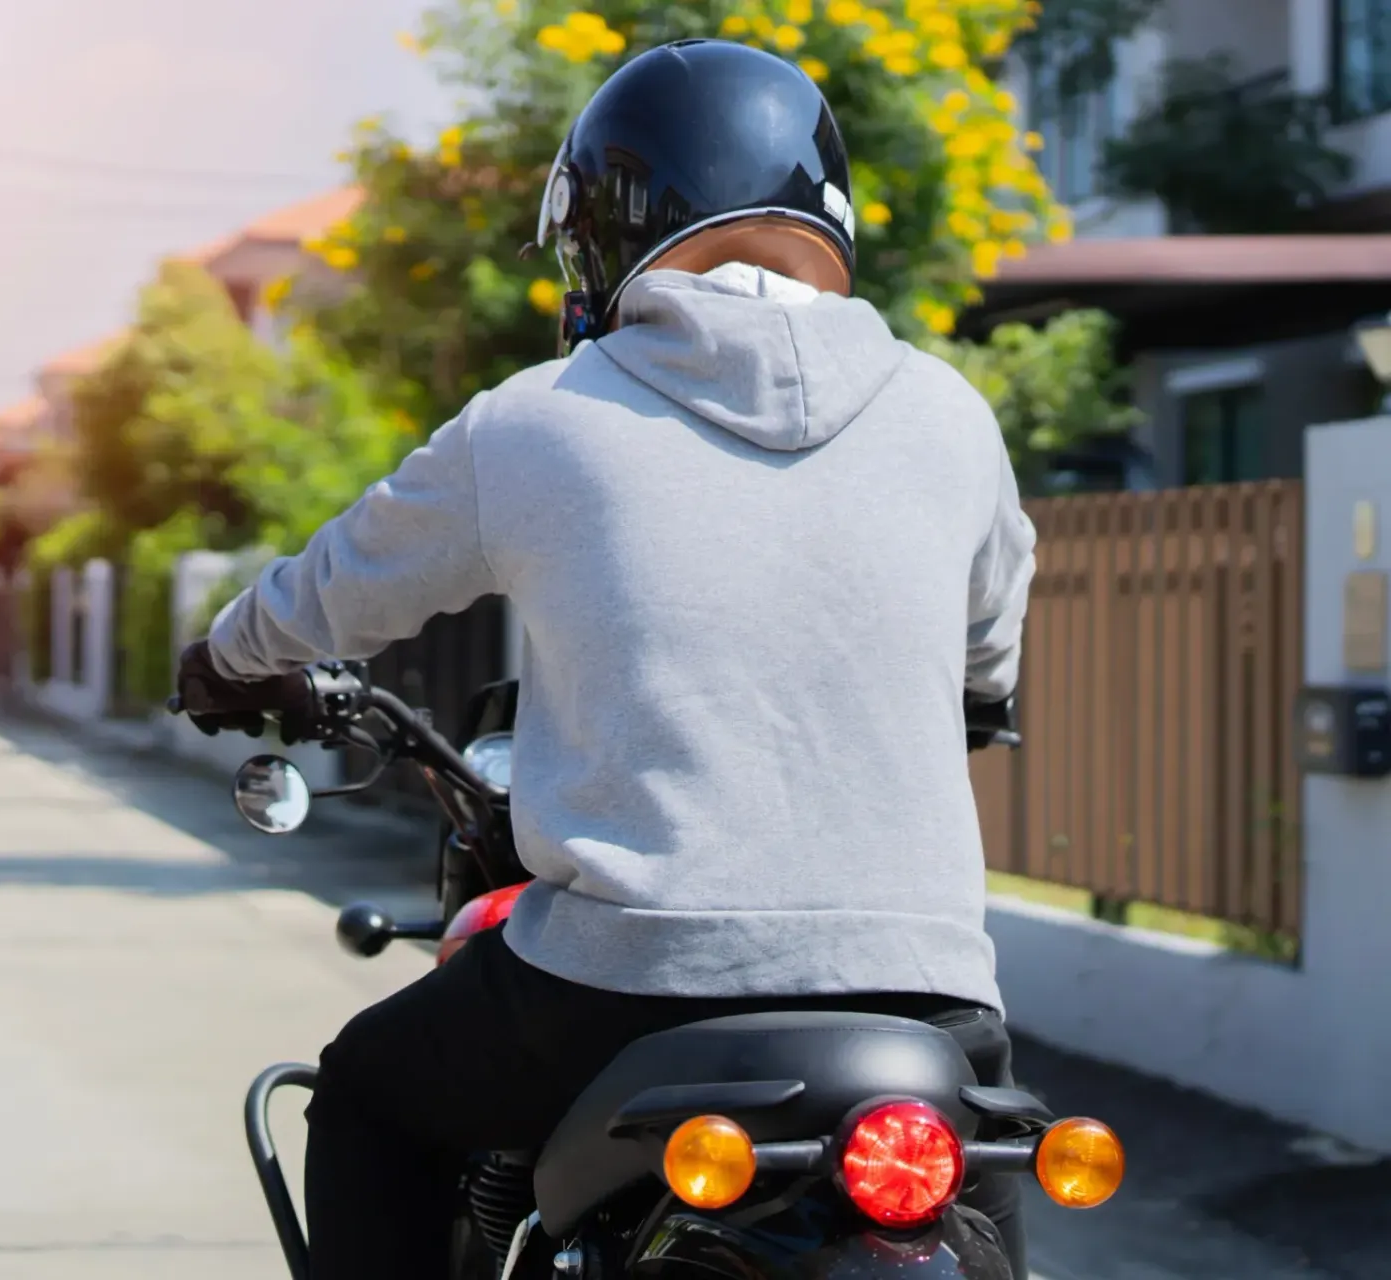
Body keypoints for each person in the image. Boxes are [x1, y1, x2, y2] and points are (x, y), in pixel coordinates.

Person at [175, 38, 1038, 1280]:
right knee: (990, 1173)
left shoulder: (544, 418)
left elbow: (334, 587)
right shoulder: (953, 414)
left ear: (602, 230)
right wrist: (976, 700)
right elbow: (992, 643)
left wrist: (228, 656)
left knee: (367, 1090)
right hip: (928, 987)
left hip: (629, 980)